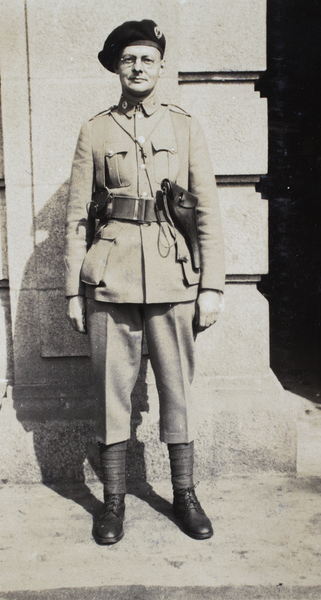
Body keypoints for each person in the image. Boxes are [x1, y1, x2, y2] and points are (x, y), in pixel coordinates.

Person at [65, 19, 225, 545]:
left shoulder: (184, 127)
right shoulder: (95, 129)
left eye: (147, 59)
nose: (138, 67)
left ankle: (184, 494)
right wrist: (72, 290)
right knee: (112, 392)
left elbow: (206, 212)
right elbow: (76, 221)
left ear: (160, 66)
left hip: (173, 274)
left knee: (176, 390)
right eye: (129, 59)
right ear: (116, 66)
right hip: (110, 278)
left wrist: (212, 285)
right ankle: (112, 503)